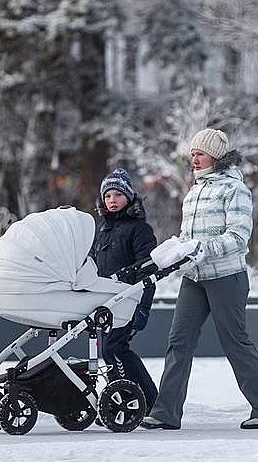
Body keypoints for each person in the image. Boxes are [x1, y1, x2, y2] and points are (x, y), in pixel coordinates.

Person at [141, 128, 258, 430]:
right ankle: (166, 412)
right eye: (192, 154)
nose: (193, 158)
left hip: (226, 277)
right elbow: (189, 236)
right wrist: (173, 249)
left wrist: (202, 249)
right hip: (194, 278)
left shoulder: (235, 190)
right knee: (179, 341)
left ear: (216, 156)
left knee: (234, 341)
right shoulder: (194, 191)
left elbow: (238, 237)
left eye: (199, 153)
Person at [89, 168, 160, 408]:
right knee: (112, 351)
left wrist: (143, 307)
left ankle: (128, 399)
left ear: (129, 198)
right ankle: (141, 400)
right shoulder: (102, 231)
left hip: (128, 303)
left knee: (114, 348)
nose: (112, 201)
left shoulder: (139, 230)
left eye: (118, 195)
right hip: (106, 304)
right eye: (108, 196)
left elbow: (148, 271)